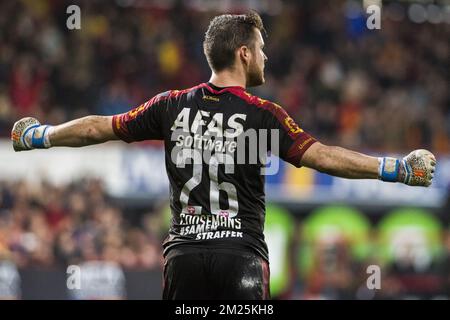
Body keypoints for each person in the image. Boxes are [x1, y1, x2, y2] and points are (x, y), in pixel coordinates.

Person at [11, 12, 436, 300]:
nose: (266, 56)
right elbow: (323, 157)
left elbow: (96, 127)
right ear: (244, 54)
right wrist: (396, 168)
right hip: (242, 257)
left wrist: (39, 134)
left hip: (183, 260)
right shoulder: (264, 114)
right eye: (261, 48)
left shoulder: (170, 104)